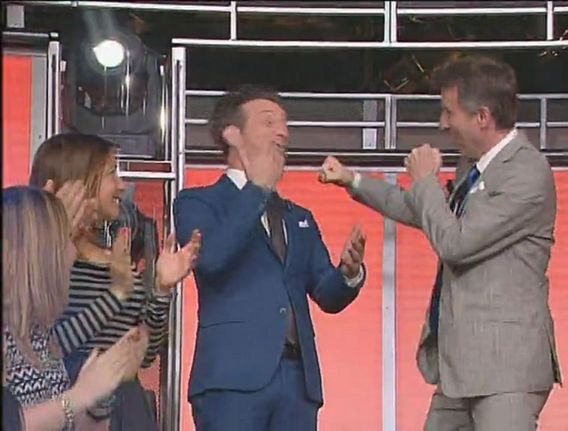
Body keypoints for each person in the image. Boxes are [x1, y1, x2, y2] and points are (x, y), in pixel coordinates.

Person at [320, 55, 561, 430]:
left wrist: (425, 181)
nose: (442, 123)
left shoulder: (526, 172)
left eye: (449, 112)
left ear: (482, 117)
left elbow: (455, 243)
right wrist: (354, 181)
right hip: (461, 365)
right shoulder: (473, 165)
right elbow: (428, 213)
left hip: (505, 367)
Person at [174, 84, 368, 431]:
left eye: (284, 123)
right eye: (268, 122)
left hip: (297, 381)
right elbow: (212, 259)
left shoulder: (298, 216)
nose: (282, 132)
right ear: (232, 134)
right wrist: (258, 189)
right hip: (231, 379)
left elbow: (327, 293)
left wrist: (350, 273)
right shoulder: (196, 202)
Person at [28, 133, 202, 430]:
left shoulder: (118, 259)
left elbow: (145, 356)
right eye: (111, 174)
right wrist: (115, 296)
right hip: (68, 404)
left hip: (126, 407)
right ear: (78, 181)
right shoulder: (37, 262)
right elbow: (47, 349)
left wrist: (161, 290)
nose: (122, 185)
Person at [2, 186, 149, 431]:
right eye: (66, 240)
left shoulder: (37, 336)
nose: (73, 253)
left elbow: (63, 423)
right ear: (39, 253)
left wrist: (102, 389)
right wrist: (80, 395)